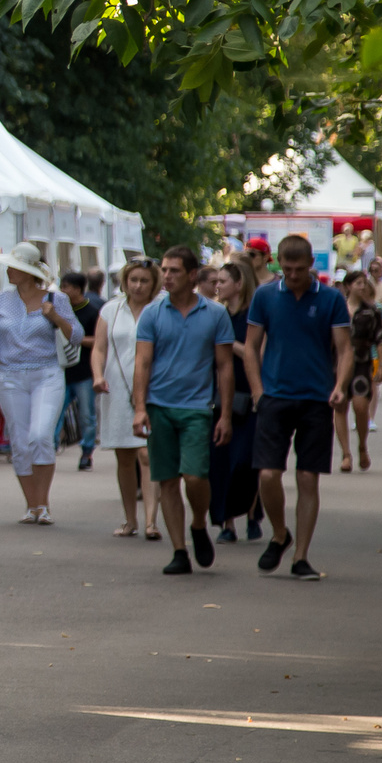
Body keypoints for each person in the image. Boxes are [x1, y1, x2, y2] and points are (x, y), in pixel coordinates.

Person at [245, 234, 352, 580]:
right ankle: (280, 533)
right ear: (277, 263)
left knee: (308, 477)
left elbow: (345, 348)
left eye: (299, 269)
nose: (292, 275)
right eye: (287, 268)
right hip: (275, 395)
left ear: (311, 266)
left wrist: (340, 386)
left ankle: (301, 556)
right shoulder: (265, 296)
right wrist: (258, 391)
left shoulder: (331, 299)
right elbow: (250, 347)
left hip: (315, 398)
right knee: (268, 474)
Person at [132, 246, 236, 575]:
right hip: (159, 406)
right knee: (166, 480)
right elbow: (142, 361)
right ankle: (179, 551)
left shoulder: (215, 314)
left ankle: (198, 523)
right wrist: (139, 408)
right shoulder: (152, 312)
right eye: (164, 270)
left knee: (194, 476)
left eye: (174, 271)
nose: (167, 276)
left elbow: (224, 367)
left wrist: (226, 415)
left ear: (192, 275)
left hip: (197, 407)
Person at [0, 243, 83, 525]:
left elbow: (76, 335)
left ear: (28, 272)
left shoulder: (56, 299)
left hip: (47, 374)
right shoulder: (0, 301)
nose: (9, 270)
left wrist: (56, 317)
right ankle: (31, 505)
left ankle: (44, 503)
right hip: (10, 376)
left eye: (14, 266)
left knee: (40, 435)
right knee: (21, 442)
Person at [91, 259, 158, 539]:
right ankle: (130, 519)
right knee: (124, 457)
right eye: (133, 280)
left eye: (144, 280)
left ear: (153, 283)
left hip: (153, 386)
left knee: (147, 454)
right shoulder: (111, 309)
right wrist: (97, 375)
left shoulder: (160, 309)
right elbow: (98, 348)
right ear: (125, 281)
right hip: (116, 387)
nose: (138, 286)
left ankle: (151, 521)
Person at [208, 256, 264, 546]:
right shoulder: (217, 316)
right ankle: (226, 522)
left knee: (247, 461)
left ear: (239, 283)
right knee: (220, 460)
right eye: (215, 281)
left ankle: (253, 510)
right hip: (219, 397)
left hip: (251, 394)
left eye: (222, 282)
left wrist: (232, 345)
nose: (217, 286)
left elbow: (259, 355)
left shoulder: (254, 317)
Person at [339, 271, 382, 473]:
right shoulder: (336, 309)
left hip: (362, 363)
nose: (362, 287)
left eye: (364, 283)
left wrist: (381, 365)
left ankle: (362, 445)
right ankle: (346, 453)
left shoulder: (371, 311)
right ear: (347, 286)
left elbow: (380, 338)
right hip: (337, 364)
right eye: (358, 283)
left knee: (360, 406)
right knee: (339, 407)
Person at [58, 271, 102, 472]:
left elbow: (99, 341)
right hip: (62, 371)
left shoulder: (92, 312)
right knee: (55, 412)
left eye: (66, 287)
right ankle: (48, 450)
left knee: (87, 414)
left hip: (84, 371)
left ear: (77, 289)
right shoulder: (60, 311)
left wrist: (77, 339)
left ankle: (86, 453)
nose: (62, 291)